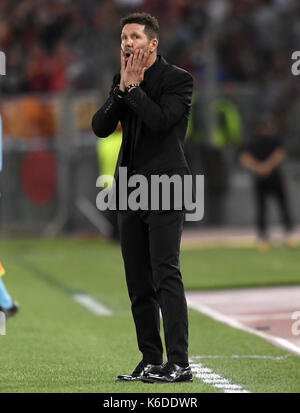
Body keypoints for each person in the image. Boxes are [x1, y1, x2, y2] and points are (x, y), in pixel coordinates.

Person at [92, 12, 193, 383]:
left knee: (166, 273)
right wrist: (121, 90)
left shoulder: (178, 80)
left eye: (134, 36)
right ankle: (151, 358)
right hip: (130, 190)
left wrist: (134, 91)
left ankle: (179, 363)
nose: (126, 43)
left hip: (167, 186)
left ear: (152, 44)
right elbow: (100, 126)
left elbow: (161, 122)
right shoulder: (121, 81)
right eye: (123, 37)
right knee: (138, 280)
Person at [239, 115, 296, 251]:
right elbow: (245, 157)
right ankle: (266, 236)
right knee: (266, 208)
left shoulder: (265, 140)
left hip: (268, 178)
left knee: (278, 206)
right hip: (268, 177)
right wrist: (264, 167)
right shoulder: (260, 140)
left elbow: (245, 157)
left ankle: (282, 234)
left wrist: (261, 168)